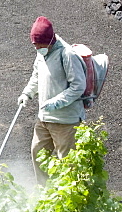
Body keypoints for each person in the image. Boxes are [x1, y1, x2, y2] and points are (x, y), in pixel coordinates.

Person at [17, 16, 86, 175]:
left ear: (49, 41)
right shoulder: (41, 53)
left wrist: (56, 102)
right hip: (44, 118)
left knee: (68, 162)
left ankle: (71, 197)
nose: (38, 48)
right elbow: (36, 75)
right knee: (38, 153)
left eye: (40, 45)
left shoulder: (67, 54)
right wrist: (27, 93)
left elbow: (78, 86)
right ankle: (45, 194)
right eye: (35, 45)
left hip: (65, 120)